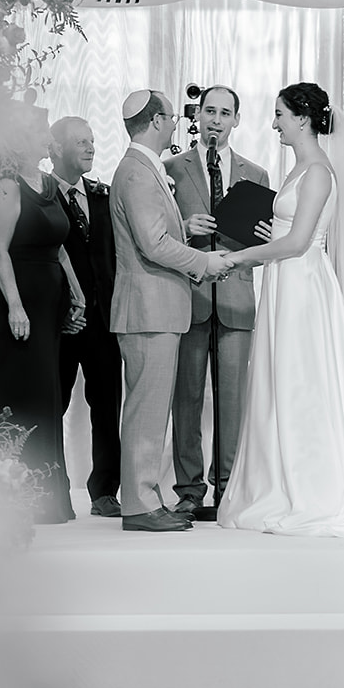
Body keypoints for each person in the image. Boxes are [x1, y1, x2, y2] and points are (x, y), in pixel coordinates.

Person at [216, 83, 344, 539]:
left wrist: (236, 257)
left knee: (302, 382)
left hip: (303, 283)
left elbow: (296, 243)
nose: (274, 124)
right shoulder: (300, 170)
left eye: (280, 115)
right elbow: (285, 231)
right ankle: (279, 480)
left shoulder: (317, 172)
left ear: (303, 118)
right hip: (283, 281)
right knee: (282, 378)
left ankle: (313, 486)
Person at [109, 89, 232, 533]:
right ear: (158, 120)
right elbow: (153, 243)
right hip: (148, 308)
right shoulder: (139, 172)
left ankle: (146, 499)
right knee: (145, 410)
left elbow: (161, 234)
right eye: (173, 117)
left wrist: (185, 231)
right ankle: (140, 506)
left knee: (150, 409)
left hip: (155, 308)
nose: (178, 124)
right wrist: (205, 262)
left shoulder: (142, 167)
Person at [165, 85, 270, 520]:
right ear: (199, 116)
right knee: (186, 398)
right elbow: (156, 236)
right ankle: (190, 490)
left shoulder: (256, 174)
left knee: (233, 400)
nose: (216, 120)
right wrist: (185, 226)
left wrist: (263, 237)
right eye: (210, 111)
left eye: (225, 113)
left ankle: (228, 486)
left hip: (236, 298)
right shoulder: (171, 168)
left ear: (236, 120)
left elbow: (268, 239)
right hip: (188, 296)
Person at [0, 105, 88, 524]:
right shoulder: (6, 186)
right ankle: (7, 495)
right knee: (20, 390)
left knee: (47, 393)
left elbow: (61, 246)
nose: (47, 139)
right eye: (39, 132)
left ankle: (47, 497)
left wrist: (77, 292)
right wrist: (14, 305)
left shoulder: (47, 183)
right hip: (19, 297)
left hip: (50, 301)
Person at [49, 116, 124, 518]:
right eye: (81, 142)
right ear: (55, 149)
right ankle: (51, 487)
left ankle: (104, 491)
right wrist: (63, 311)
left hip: (104, 320)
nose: (91, 148)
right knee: (52, 405)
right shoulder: (40, 196)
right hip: (60, 322)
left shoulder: (103, 196)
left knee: (108, 406)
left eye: (92, 141)